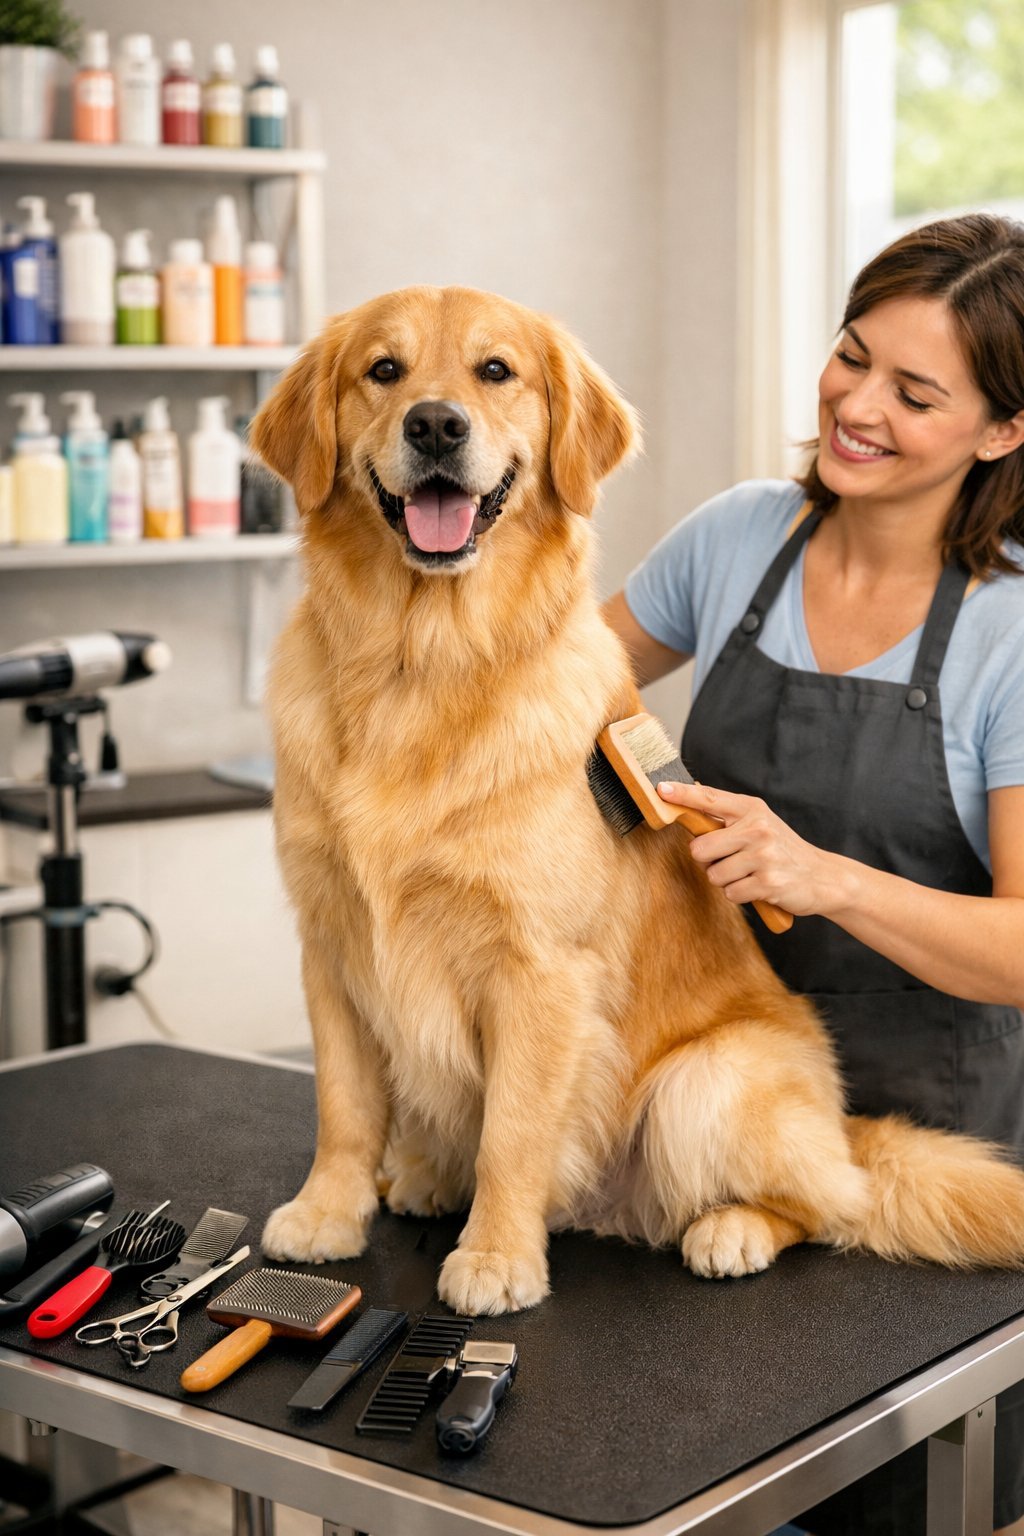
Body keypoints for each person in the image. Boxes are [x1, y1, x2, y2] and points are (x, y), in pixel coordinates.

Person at [602, 212, 1024, 1536]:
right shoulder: (738, 539)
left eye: (916, 392)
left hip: (920, 1161)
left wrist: (821, 875)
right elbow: (552, 694)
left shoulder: (1012, 631)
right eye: (853, 358)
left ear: (1003, 434)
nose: (857, 406)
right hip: (704, 1125)